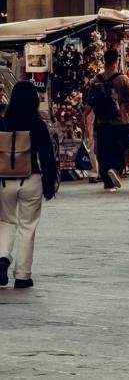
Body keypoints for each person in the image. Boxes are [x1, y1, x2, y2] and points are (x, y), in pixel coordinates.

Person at [0, 81, 58, 289]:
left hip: (5, 181)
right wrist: (50, 183)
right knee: (27, 227)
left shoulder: (3, 122)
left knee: (6, 221)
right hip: (31, 178)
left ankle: (2, 256)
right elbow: (47, 157)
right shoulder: (37, 124)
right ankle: (23, 275)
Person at [84, 47, 129, 192]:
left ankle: (108, 183)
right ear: (116, 60)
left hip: (102, 123)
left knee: (104, 151)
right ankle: (116, 169)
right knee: (123, 147)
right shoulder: (122, 79)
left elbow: (89, 103)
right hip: (120, 122)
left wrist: (84, 117)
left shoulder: (95, 80)